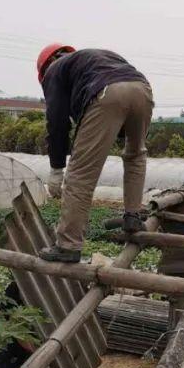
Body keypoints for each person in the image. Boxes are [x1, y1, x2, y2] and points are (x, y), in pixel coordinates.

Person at [35, 44, 154, 263]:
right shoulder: (91, 60)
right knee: (135, 155)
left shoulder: (54, 70)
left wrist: (56, 167)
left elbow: (57, 123)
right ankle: (133, 217)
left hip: (107, 92)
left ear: (44, 69)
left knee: (80, 175)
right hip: (142, 89)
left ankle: (68, 245)